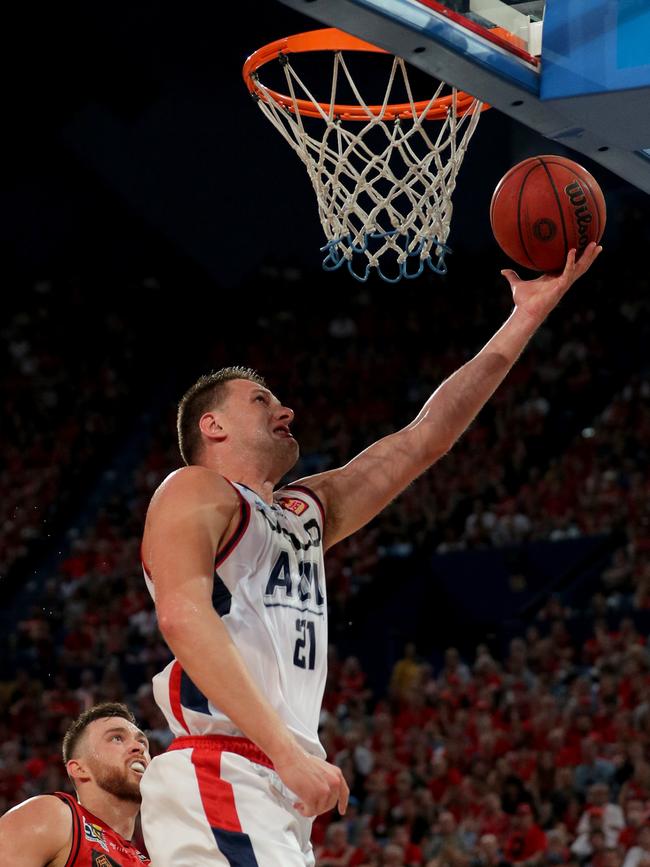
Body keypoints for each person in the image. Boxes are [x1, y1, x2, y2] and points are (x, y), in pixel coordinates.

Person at [140, 244, 602, 866]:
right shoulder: (194, 489)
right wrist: (286, 752)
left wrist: (525, 317)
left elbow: (423, 441)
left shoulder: (301, 514)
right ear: (213, 428)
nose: (286, 409)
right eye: (260, 400)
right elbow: (181, 616)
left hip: (272, 783)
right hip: (225, 770)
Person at [0, 702, 150, 866]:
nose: (139, 747)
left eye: (143, 742)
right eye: (117, 738)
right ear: (80, 769)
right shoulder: (55, 816)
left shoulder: (147, 861)